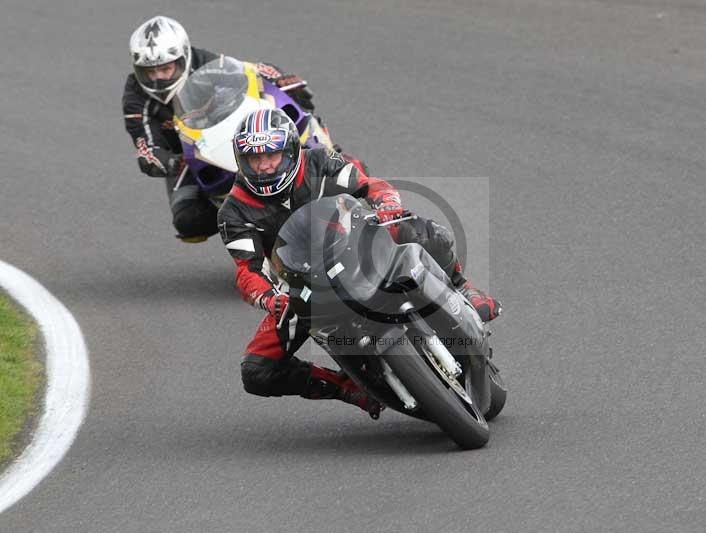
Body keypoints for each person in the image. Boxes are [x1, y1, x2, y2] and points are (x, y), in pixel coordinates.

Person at [217, 108, 503, 417]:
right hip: (302, 287)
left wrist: (387, 204)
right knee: (257, 371)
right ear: (240, 161)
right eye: (254, 159)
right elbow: (248, 269)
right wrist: (269, 298)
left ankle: (465, 291)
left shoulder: (319, 161)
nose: (264, 166)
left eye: (271, 156)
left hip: (355, 246)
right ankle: (348, 388)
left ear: (289, 151)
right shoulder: (234, 211)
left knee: (420, 230)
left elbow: (369, 184)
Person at [122, 15, 316, 242]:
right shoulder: (135, 96)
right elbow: (145, 145)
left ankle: (326, 154)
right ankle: (240, 223)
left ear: (183, 57)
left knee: (298, 115)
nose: (158, 79)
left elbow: (251, 70)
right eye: (149, 72)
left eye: (165, 69)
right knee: (188, 223)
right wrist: (166, 161)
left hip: (230, 134)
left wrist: (282, 80)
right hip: (188, 156)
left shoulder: (204, 62)